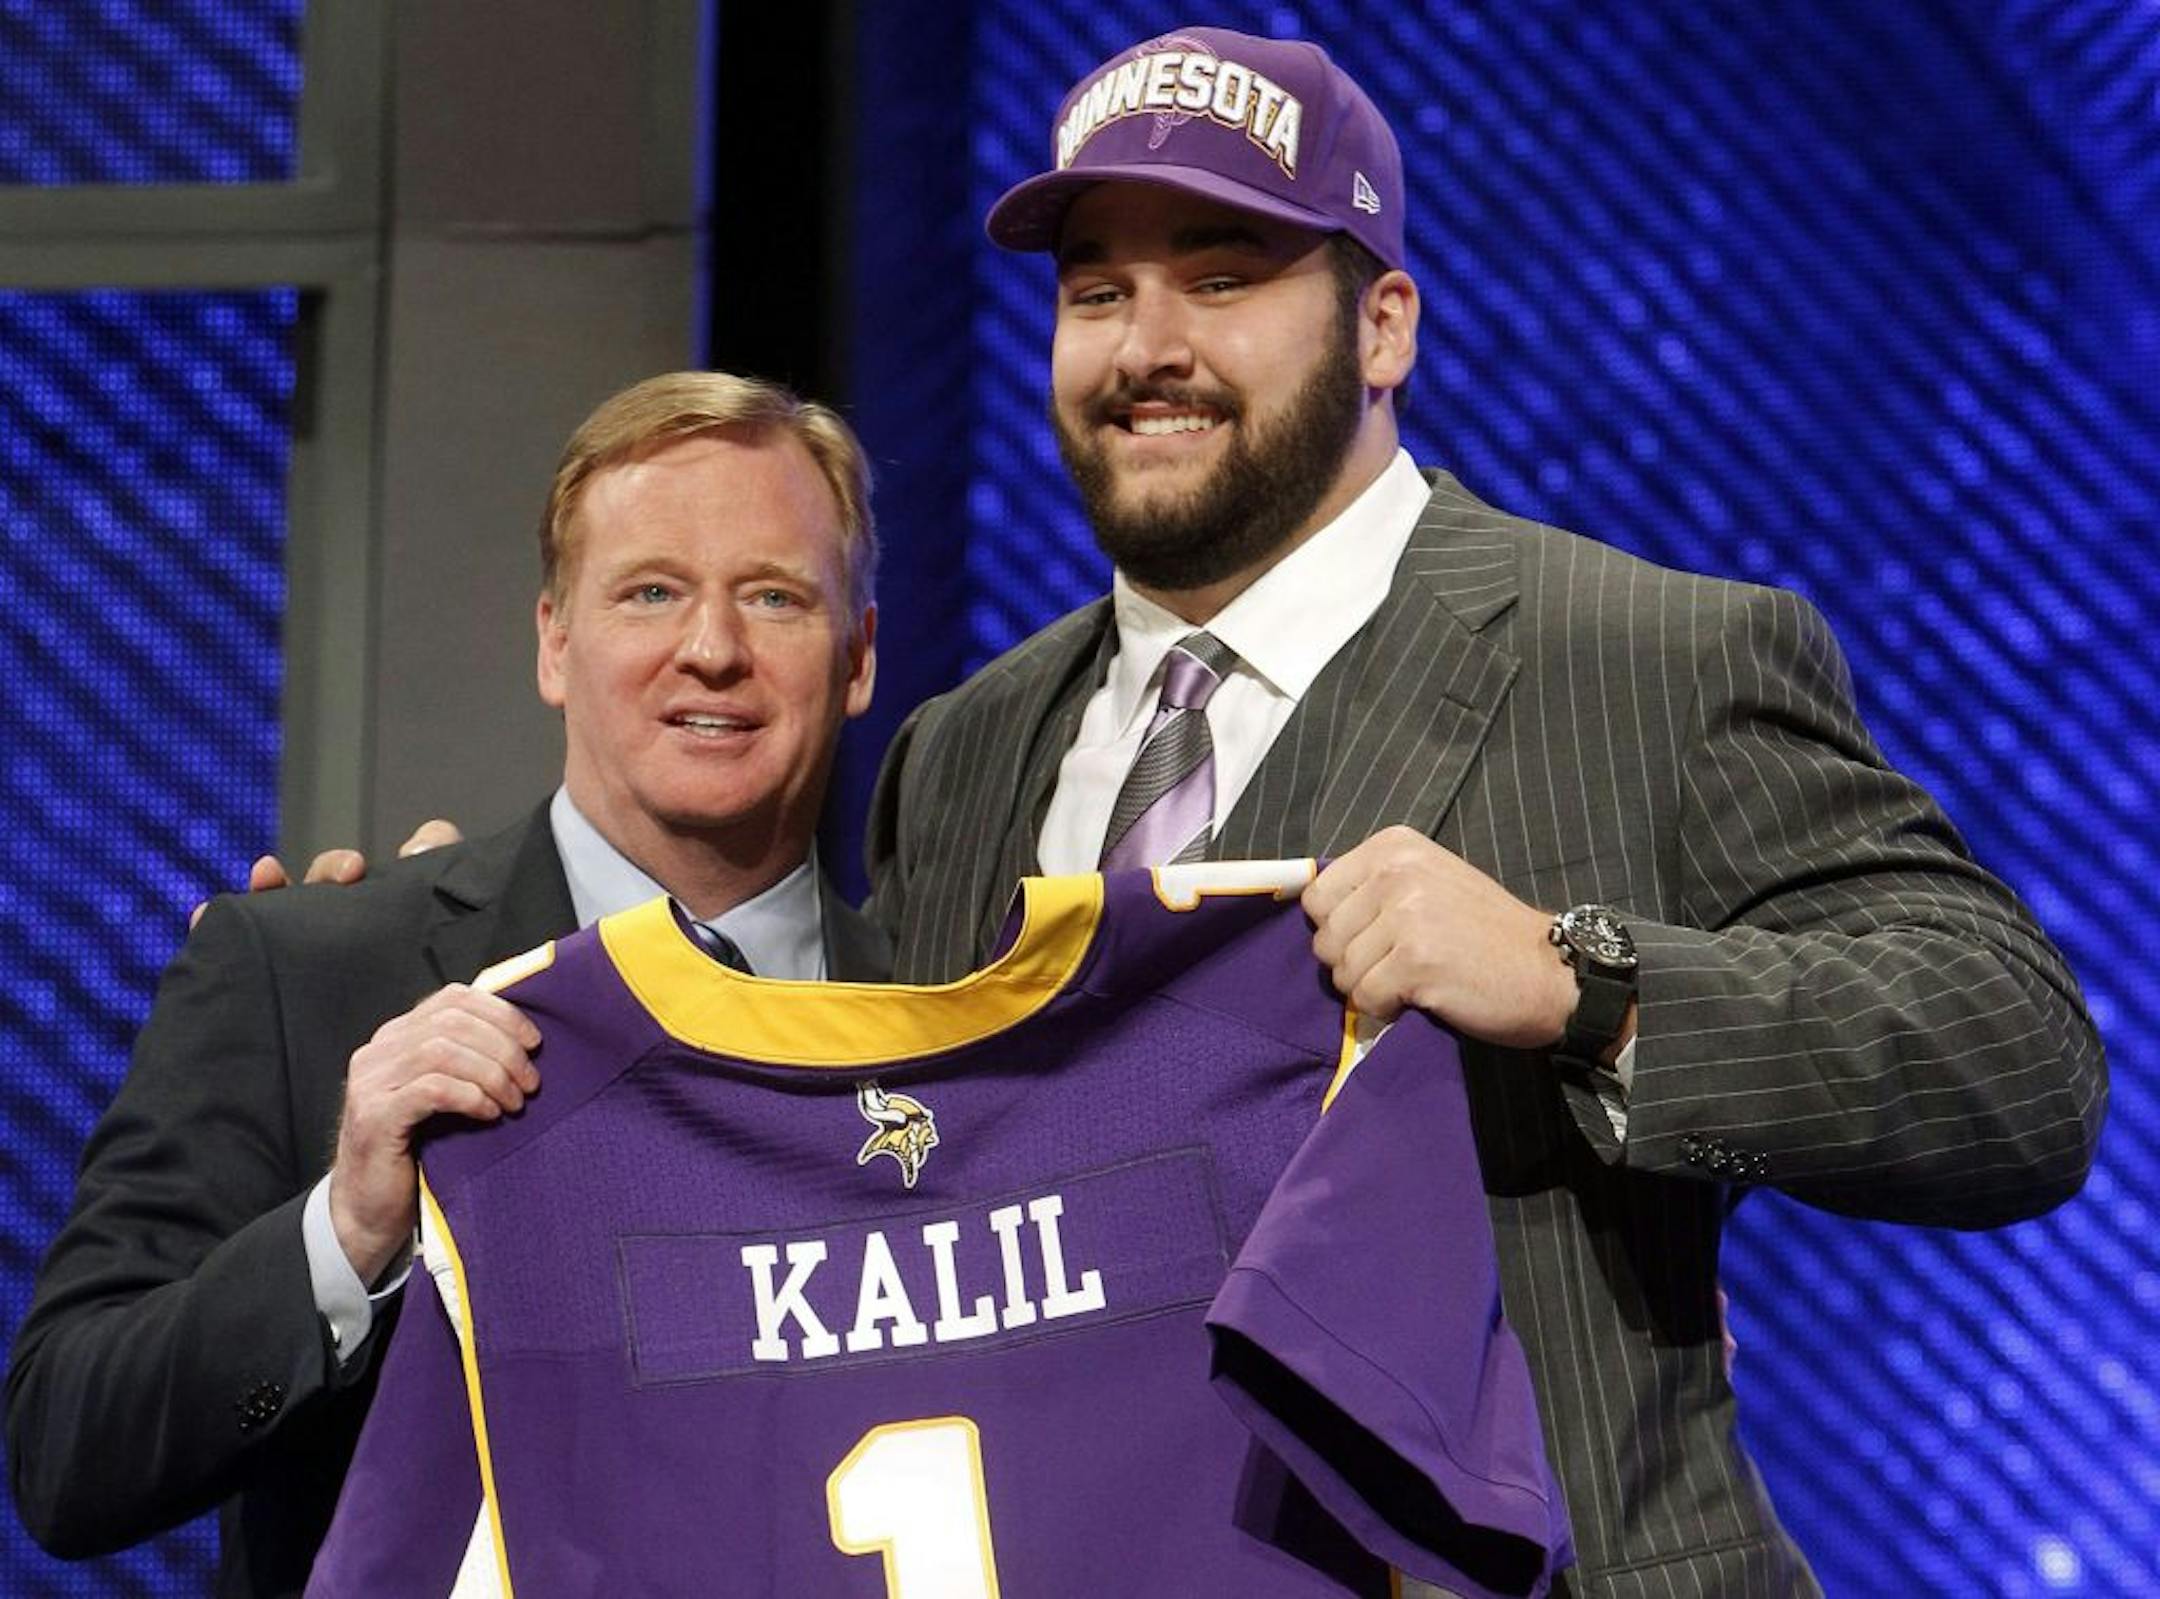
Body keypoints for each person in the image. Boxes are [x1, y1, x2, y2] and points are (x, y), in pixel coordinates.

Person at [862, 26, 2107, 1597]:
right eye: (1096, 291)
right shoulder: (965, 750)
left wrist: (1584, 980)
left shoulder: (1648, 658)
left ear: (1383, 325)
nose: (1144, 346)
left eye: (1222, 277)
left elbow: (2018, 1063)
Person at [7, 370, 888, 1596]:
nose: (711, 650)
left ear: (856, 658)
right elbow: (68, 1452)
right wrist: (347, 1230)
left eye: (774, 597)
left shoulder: (953, 1021)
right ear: (555, 644)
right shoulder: (302, 973)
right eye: (651, 591)